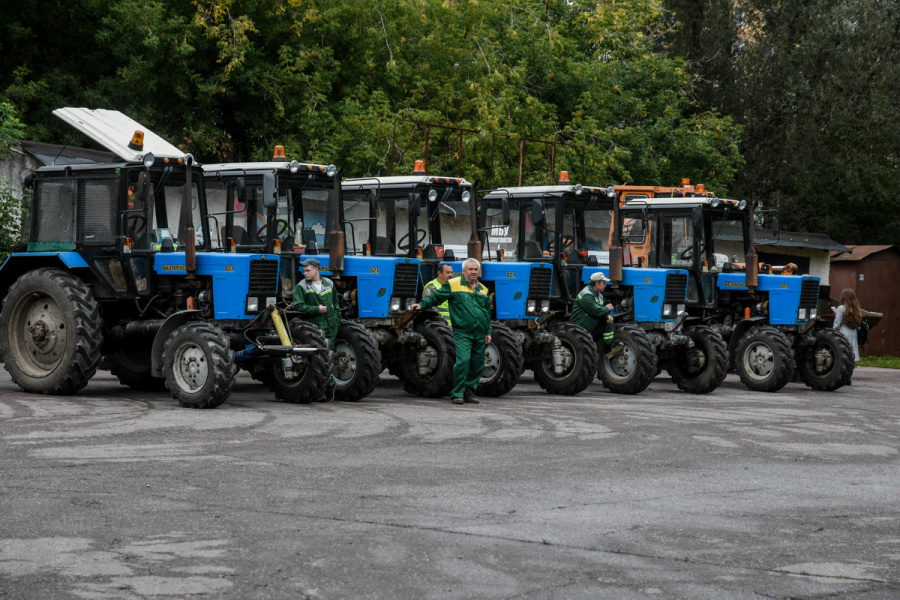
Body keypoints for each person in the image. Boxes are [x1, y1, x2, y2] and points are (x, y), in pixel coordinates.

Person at [410, 257, 491, 405]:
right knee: (463, 361)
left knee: (478, 364)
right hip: (462, 332)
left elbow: (486, 313)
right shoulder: (453, 284)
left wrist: (488, 332)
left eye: (475, 269)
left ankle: (469, 392)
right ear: (463, 271)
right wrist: (422, 305)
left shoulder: (483, 290)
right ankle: (457, 393)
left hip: (479, 333)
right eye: (470, 269)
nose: (473, 272)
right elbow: (436, 297)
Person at [291, 258, 340, 400]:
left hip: (332, 326)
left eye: (308, 270)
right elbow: (297, 306)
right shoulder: (302, 287)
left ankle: (326, 391)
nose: (304, 273)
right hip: (316, 329)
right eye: (304, 271)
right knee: (321, 361)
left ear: (317, 270)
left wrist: (336, 318)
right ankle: (325, 389)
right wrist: (316, 309)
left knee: (329, 359)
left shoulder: (329, 283)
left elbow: (336, 303)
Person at [571, 272, 621, 358]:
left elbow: (601, 310)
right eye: (603, 283)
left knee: (609, 323)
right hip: (581, 327)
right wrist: (607, 308)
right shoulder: (586, 295)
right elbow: (596, 311)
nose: (605, 285)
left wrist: (607, 316)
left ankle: (608, 350)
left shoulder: (599, 295)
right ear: (597, 283)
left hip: (591, 324)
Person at [833, 288, 862, 362]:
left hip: (843, 333)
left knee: (843, 354)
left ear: (843, 297)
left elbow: (837, 324)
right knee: (851, 353)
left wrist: (833, 333)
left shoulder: (841, 308)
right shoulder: (856, 309)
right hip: (853, 332)